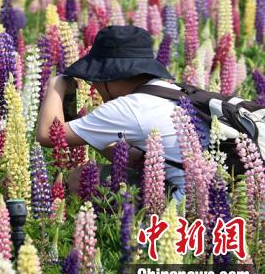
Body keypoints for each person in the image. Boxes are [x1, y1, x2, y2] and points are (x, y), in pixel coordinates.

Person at [35, 25, 208, 201]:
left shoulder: (128, 107)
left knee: (81, 177)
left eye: (95, 78)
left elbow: (48, 135)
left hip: (185, 207)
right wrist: (93, 135)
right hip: (215, 195)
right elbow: (133, 160)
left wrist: (55, 85)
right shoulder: (173, 91)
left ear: (110, 76)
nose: (95, 85)